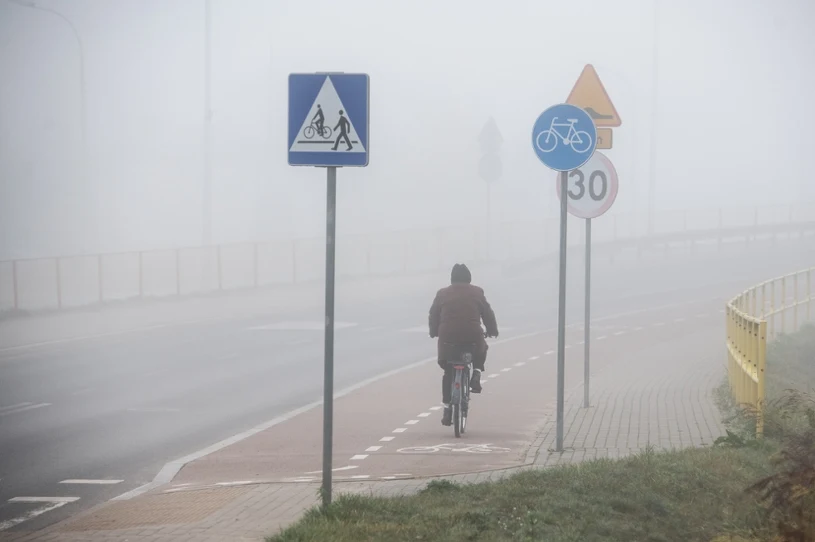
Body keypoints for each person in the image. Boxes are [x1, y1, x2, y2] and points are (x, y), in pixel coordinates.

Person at [428, 263, 499, 426]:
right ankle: (477, 374)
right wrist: (492, 330)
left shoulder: (442, 294)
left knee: (448, 371)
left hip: (448, 339)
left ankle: (447, 408)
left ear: (452, 279)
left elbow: (433, 315)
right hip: (472, 337)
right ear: (469, 278)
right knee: (481, 349)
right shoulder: (477, 292)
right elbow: (487, 314)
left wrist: (434, 331)